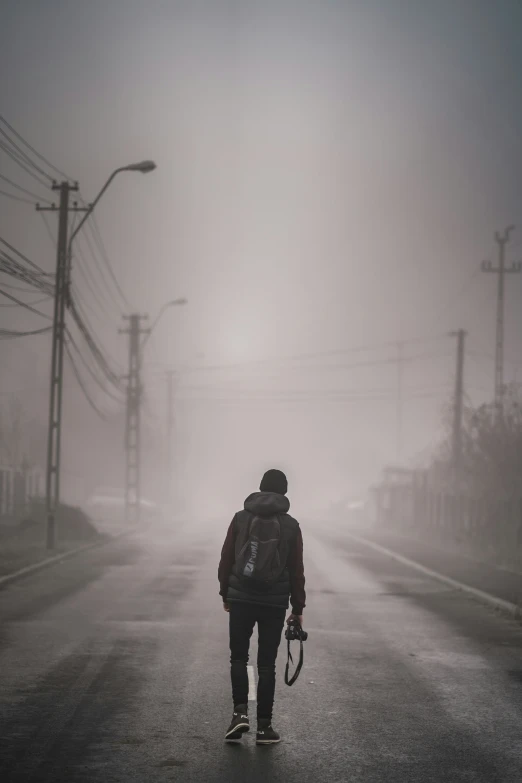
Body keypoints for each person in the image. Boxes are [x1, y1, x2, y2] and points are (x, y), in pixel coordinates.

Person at [218, 468, 306, 745]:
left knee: (238, 658)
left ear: (260, 488)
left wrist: (225, 592)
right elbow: (296, 570)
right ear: (284, 492)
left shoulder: (240, 518)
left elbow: (226, 557)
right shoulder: (291, 525)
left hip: (241, 597)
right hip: (274, 603)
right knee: (266, 664)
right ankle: (265, 728)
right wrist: (298, 608)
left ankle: (239, 714)